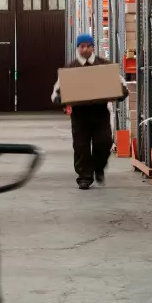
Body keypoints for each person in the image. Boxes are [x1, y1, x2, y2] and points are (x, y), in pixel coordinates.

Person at [51, 33, 124, 190]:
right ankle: (84, 177)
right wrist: (60, 98)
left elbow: (121, 85)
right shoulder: (70, 69)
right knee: (81, 147)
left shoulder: (104, 65)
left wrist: (120, 92)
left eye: (88, 46)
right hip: (80, 115)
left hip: (100, 114)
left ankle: (98, 168)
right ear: (78, 48)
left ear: (93, 47)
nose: (85, 49)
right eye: (82, 46)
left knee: (104, 143)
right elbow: (56, 92)